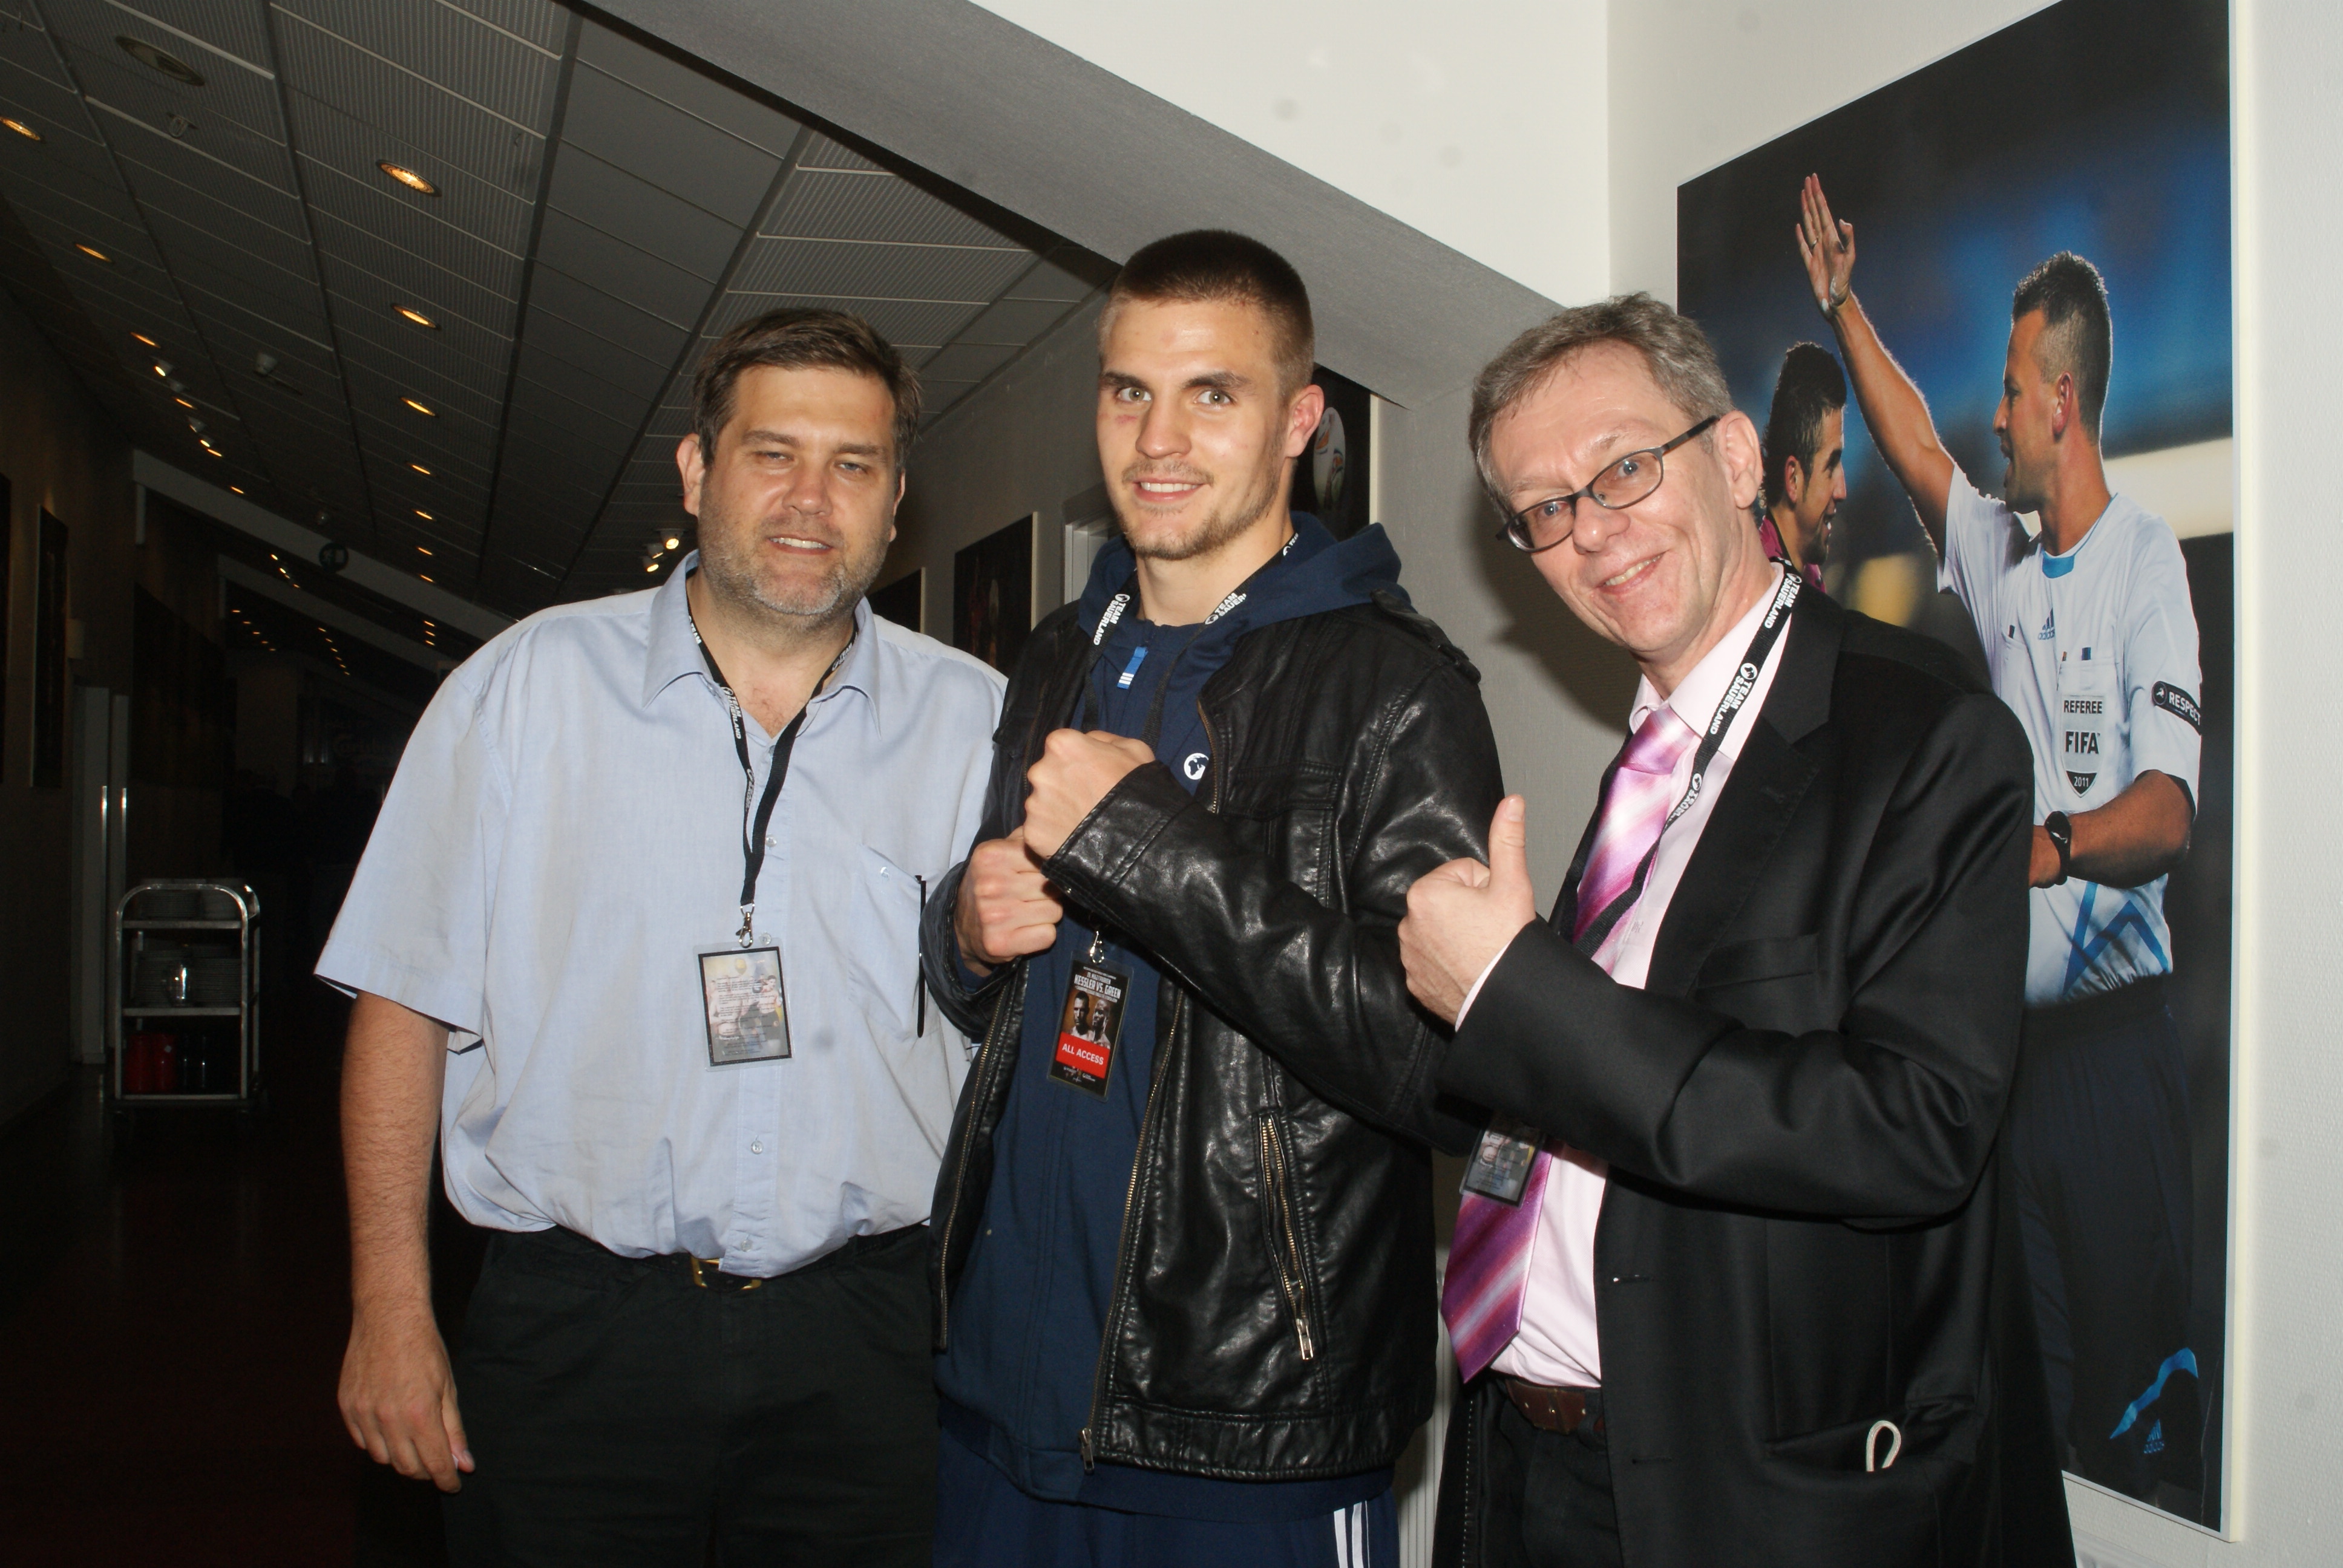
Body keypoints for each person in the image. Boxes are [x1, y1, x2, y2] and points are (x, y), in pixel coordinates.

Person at [1397, 293, 2071, 1566]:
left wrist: (1516, 991)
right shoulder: (1650, 763)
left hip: (1733, 1505)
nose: (1593, 531)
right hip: (1522, 1462)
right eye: (1545, 510)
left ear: (1738, 458)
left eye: (1623, 469)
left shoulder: (1925, 736)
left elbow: (1914, 1128)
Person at [323, 309, 1003, 1565]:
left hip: (872, 1348)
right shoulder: (525, 690)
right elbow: (400, 1001)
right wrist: (388, 1306)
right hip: (578, 1339)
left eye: (852, 465)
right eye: (772, 454)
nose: (811, 500)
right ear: (697, 472)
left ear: (895, 499)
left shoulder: (977, 725)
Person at [920, 230, 1504, 1568]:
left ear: (1300, 420)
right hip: (1001, 1395)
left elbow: (1446, 1068)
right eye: (1129, 390)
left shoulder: (1395, 689)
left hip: (1244, 1424)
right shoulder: (1059, 653)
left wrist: (1149, 850)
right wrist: (963, 933)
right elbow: (1002, 979)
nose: (1157, 440)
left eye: (1211, 394)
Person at [1799, 175, 2204, 1497]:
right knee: (2026, 1413)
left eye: (2013, 389)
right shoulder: (2000, 561)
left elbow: (2169, 814)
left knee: (2137, 1428)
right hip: (2007, 1066)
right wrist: (1843, 306)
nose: (1994, 413)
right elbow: (1917, 445)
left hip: (2115, 1059)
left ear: (2060, 405)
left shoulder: (2145, 563)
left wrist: (2046, 845)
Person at [1756, 341, 1848, 590]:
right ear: (1794, 479)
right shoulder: (1761, 590)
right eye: (1831, 467)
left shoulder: (1807, 577)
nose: (1842, 491)